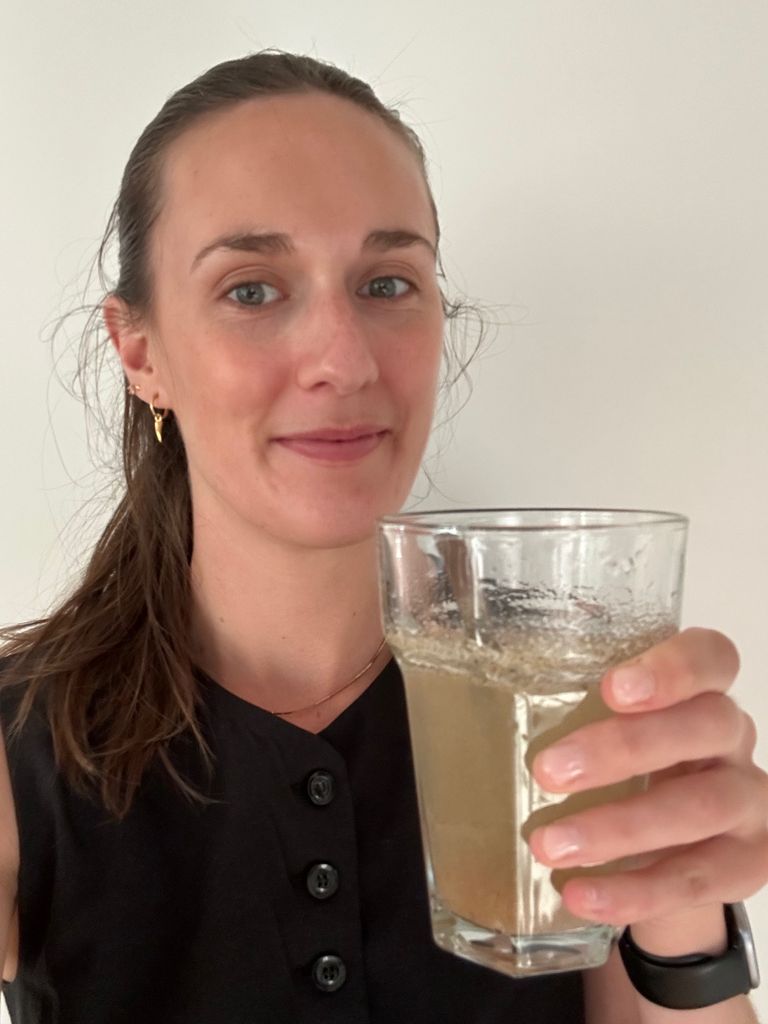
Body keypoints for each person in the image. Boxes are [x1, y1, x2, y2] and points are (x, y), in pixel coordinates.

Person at [0, 49, 765, 1024]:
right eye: (252, 288)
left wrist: (685, 907)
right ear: (140, 352)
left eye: (387, 282)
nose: (343, 357)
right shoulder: (24, 750)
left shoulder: (567, 685)